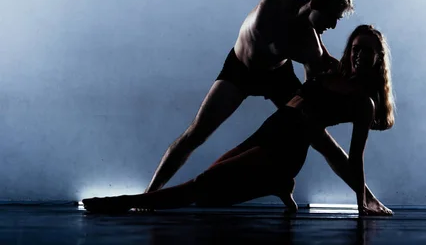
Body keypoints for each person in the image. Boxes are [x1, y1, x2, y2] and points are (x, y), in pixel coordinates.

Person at [141, 0, 391, 215]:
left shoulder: (310, 47)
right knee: (196, 133)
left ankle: (367, 198)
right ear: (314, 4)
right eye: (331, 17)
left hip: (277, 77)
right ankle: (148, 196)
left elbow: (314, 90)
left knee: (321, 140)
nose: (333, 25)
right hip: (239, 70)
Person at [83, 25, 395, 215]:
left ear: (378, 58)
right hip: (269, 130)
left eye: (367, 52)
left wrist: (362, 202)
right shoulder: (329, 69)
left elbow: (353, 158)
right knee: (211, 188)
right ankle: (277, 185)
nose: (359, 55)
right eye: (356, 48)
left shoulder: (363, 103)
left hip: (286, 147)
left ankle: (125, 203)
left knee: (201, 186)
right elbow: (309, 31)